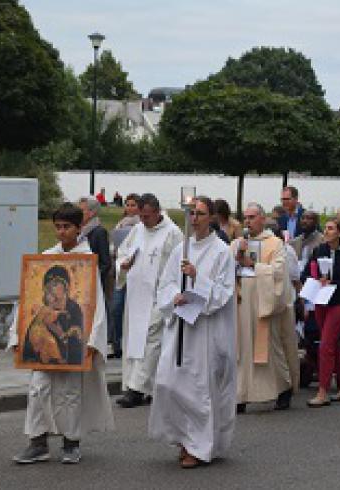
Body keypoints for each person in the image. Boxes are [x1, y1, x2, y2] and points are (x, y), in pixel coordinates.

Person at [11, 203, 113, 464]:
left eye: (67, 227)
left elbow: (96, 305)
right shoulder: (46, 257)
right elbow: (27, 301)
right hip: (43, 346)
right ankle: (37, 442)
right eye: (57, 226)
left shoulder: (86, 262)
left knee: (70, 394)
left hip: (72, 347)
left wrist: (91, 341)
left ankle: (71, 442)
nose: (61, 232)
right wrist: (17, 336)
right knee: (38, 389)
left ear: (79, 229)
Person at [149, 196, 238, 469]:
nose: (195, 218)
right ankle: (182, 437)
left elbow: (224, 292)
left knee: (198, 388)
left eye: (200, 213)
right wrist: (174, 297)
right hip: (180, 327)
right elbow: (165, 283)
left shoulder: (222, 251)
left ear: (211, 217)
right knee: (168, 381)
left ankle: (198, 447)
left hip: (205, 331)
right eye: (191, 213)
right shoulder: (180, 249)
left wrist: (198, 277)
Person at [115, 194, 184, 408]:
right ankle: (142, 386)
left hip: (159, 297)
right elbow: (122, 252)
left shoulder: (173, 233)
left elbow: (178, 264)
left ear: (157, 211)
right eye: (140, 216)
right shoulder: (137, 230)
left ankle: (136, 389)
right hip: (137, 296)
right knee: (135, 340)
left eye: (146, 216)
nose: (143, 220)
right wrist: (123, 265)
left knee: (151, 341)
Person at [232, 203, 299, 411]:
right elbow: (224, 270)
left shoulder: (275, 244)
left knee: (270, 349)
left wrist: (251, 265)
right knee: (242, 351)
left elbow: (278, 273)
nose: (248, 222)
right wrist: (236, 261)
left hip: (265, 303)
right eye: (246, 218)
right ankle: (240, 395)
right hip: (242, 304)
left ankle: (282, 390)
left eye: (252, 217)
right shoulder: (236, 244)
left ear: (262, 219)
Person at [302, 218, 340, 407]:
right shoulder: (320, 250)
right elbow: (307, 274)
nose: (326, 232)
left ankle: (323, 390)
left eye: (330, 229)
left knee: (325, 344)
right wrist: (316, 279)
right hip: (321, 300)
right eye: (326, 228)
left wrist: (333, 283)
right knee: (332, 344)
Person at [107, 193, 142, 358]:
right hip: (119, 271)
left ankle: (127, 343)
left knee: (129, 308)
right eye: (127, 205)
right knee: (116, 309)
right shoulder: (120, 224)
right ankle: (116, 343)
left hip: (134, 272)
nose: (129, 208)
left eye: (133, 205)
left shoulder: (141, 226)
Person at [78, 197, 114, 314]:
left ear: (92, 213)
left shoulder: (99, 232)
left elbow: (105, 262)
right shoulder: (81, 231)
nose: (78, 214)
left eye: (81, 210)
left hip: (95, 284)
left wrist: (92, 277)